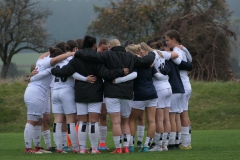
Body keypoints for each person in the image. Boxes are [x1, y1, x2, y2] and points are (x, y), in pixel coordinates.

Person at [74, 38, 155, 154]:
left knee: (116, 122)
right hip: (127, 93)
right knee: (125, 122)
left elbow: (93, 59)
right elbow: (146, 61)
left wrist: (78, 52)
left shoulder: (107, 55)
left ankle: (118, 148)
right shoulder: (130, 56)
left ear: (110, 47)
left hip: (111, 93)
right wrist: (152, 52)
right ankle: (126, 147)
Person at [51, 35, 129, 154]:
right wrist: (120, 72)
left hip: (80, 92)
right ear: (94, 46)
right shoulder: (97, 59)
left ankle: (82, 148)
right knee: (93, 121)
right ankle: (94, 148)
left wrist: (53, 70)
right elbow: (106, 73)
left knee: (82, 121)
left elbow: (65, 71)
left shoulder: (76, 58)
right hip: (95, 92)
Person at [23, 48, 74, 154]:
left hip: (37, 93)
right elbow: (55, 60)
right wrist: (70, 54)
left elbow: (41, 57)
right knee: (32, 121)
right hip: (35, 93)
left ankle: (37, 147)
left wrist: (51, 52)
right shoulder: (49, 63)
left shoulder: (41, 60)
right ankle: (28, 148)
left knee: (39, 121)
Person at [141, 41, 180, 152]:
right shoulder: (161, 53)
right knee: (166, 118)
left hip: (159, 88)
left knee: (158, 119)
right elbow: (173, 55)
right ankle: (165, 145)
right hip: (168, 87)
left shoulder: (151, 55)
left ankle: (158, 145)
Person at [165, 30, 192, 149]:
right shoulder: (181, 49)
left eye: (168, 40)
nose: (167, 43)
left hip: (182, 85)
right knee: (182, 114)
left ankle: (184, 142)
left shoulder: (176, 51)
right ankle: (185, 141)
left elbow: (180, 62)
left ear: (174, 40)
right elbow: (189, 60)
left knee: (181, 115)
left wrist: (169, 55)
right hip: (186, 83)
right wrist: (185, 49)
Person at [97, 38, 110, 150]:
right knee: (94, 116)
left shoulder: (108, 58)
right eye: (103, 49)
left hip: (106, 89)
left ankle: (102, 142)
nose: (105, 51)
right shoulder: (94, 56)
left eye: (107, 49)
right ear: (98, 46)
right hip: (95, 89)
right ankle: (93, 143)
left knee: (103, 115)